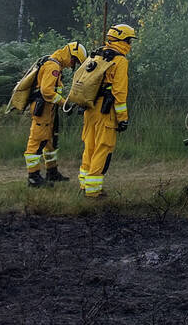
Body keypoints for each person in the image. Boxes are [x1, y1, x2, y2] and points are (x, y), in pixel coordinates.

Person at [77, 24, 134, 199]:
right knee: (103, 148)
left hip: (90, 107)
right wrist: (122, 118)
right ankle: (93, 191)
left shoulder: (96, 55)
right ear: (123, 40)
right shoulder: (120, 61)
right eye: (129, 40)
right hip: (105, 111)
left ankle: (84, 185)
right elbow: (119, 93)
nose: (130, 44)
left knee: (90, 146)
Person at [23, 41, 87, 187]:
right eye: (74, 61)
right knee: (37, 141)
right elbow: (47, 91)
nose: (72, 65)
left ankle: (52, 172)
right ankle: (33, 177)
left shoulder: (55, 64)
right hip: (43, 109)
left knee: (50, 142)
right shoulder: (53, 66)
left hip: (48, 110)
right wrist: (64, 103)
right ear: (70, 55)